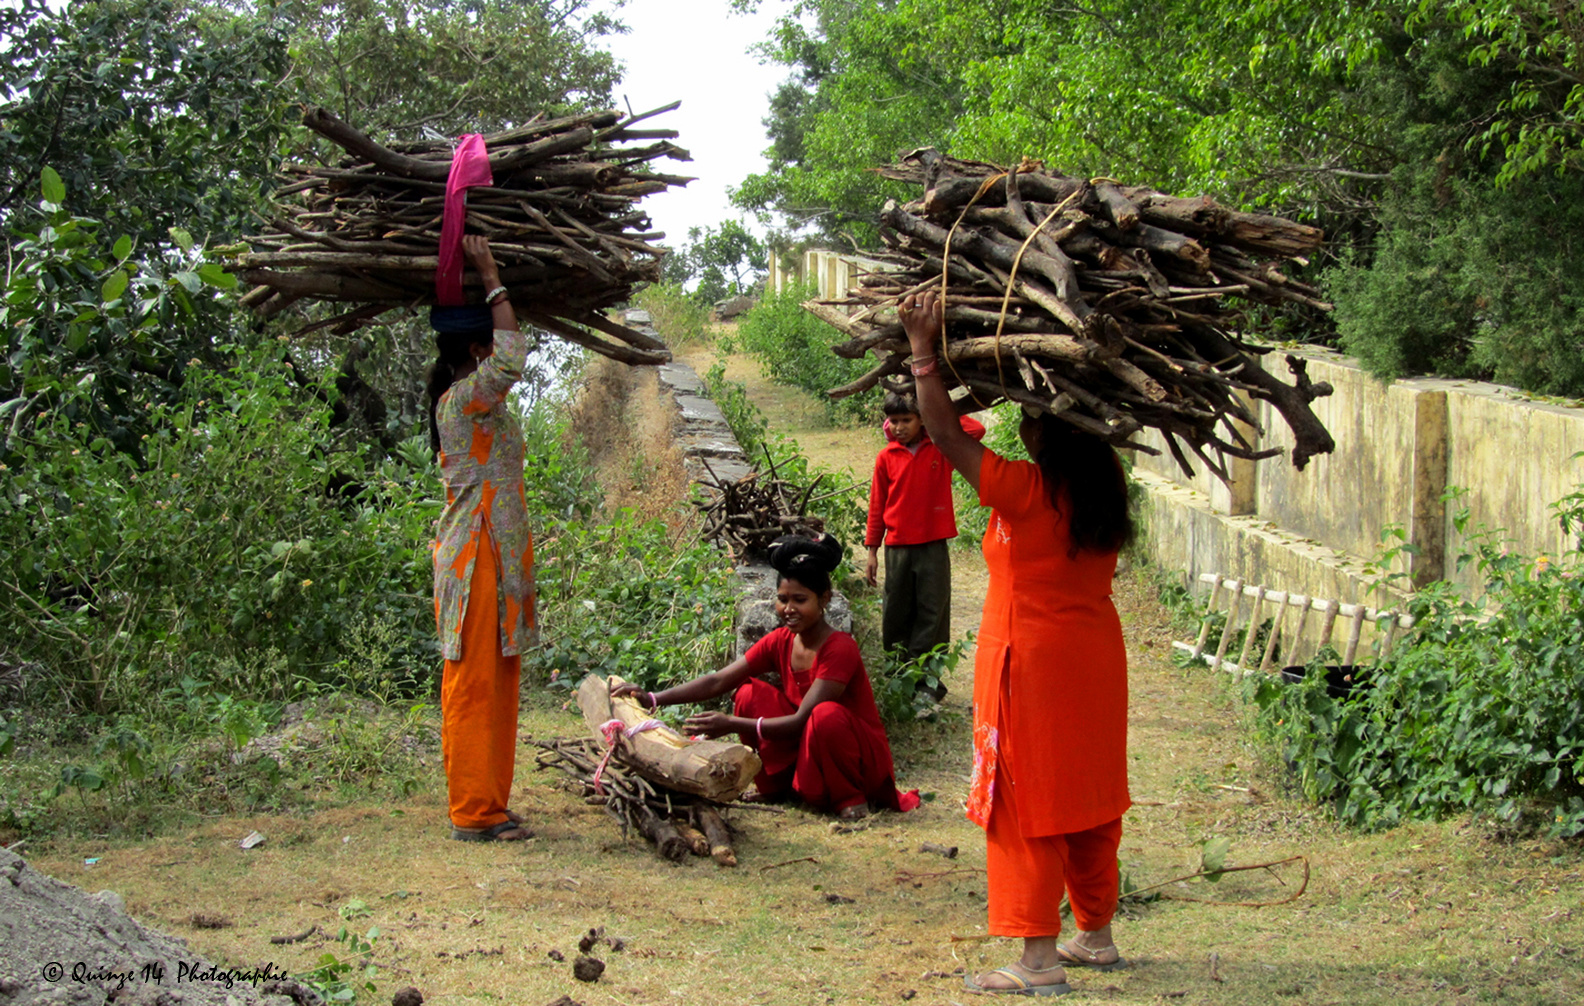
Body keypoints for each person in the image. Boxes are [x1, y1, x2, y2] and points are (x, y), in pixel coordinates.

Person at [899, 289, 1133, 996]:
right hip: (1094, 664)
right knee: (1089, 796)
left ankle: (1036, 959)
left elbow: (944, 435)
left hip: (1031, 669)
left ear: (1051, 438)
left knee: (1025, 803)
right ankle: (1094, 932)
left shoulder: (1027, 492)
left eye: (1031, 420)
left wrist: (921, 349)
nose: (1021, 429)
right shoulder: (1102, 494)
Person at [613, 535, 919, 821]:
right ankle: (776, 788)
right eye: (782, 598)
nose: (788, 609)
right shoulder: (781, 640)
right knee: (746, 693)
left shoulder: (840, 648)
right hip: (809, 743)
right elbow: (719, 681)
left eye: (800, 599)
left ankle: (850, 799)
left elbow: (803, 720)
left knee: (825, 716)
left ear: (824, 598)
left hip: (854, 755)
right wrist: (652, 698)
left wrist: (731, 724)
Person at [428, 235, 537, 842]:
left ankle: (491, 801)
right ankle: (472, 810)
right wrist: (492, 274)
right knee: (472, 684)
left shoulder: (485, 411)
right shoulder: (459, 402)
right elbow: (514, 358)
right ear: (476, 351)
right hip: (473, 560)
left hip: (499, 557)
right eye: (488, 348)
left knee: (499, 682)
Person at [865, 391, 986, 665]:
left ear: (921, 420)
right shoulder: (886, 456)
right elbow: (877, 506)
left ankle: (926, 681)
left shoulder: (941, 449)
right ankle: (897, 672)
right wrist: (872, 551)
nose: (899, 427)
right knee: (896, 610)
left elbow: (976, 429)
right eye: (892, 421)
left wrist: (933, 412)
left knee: (933, 611)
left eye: (906, 419)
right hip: (897, 546)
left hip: (933, 543)